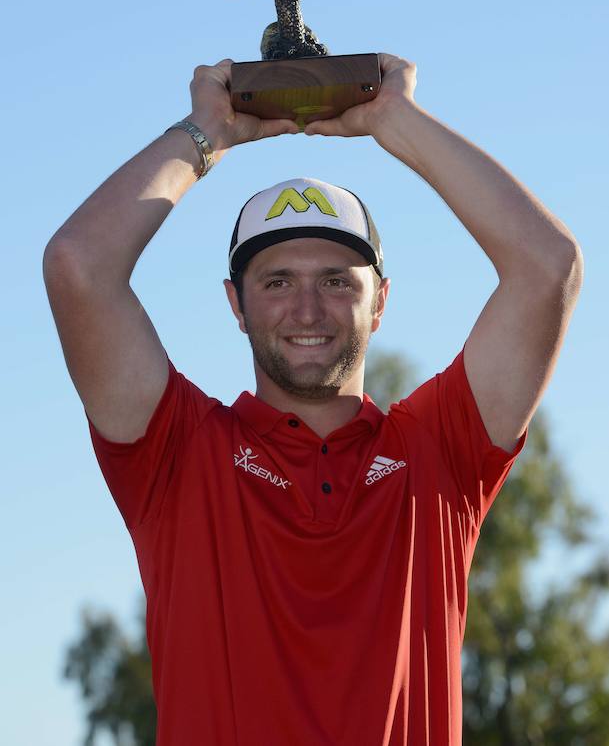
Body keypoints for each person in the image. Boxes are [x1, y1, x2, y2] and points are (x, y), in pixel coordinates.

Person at [43, 53, 584, 745]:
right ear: (235, 304)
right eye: (275, 282)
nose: (307, 309)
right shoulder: (176, 451)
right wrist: (207, 132)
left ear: (378, 302)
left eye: (336, 281)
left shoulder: (437, 452)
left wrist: (397, 120)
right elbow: (78, 267)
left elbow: (548, 267)